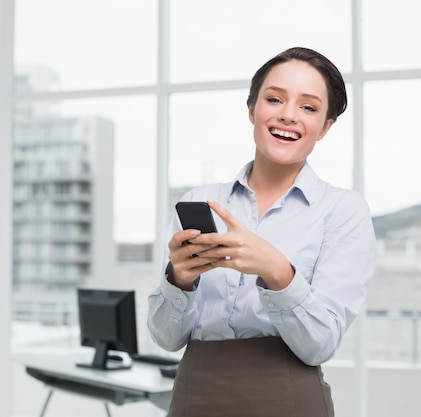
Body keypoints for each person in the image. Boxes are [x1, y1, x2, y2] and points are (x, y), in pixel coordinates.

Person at [147, 46, 376, 417]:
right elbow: (166, 338)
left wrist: (278, 272)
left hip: (287, 399)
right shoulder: (201, 202)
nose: (288, 115)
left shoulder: (343, 211)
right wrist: (179, 281)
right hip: (195, 395)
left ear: (325, 127)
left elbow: (320, 345)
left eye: (309, 107)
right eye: (274, 99)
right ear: (252, 109)